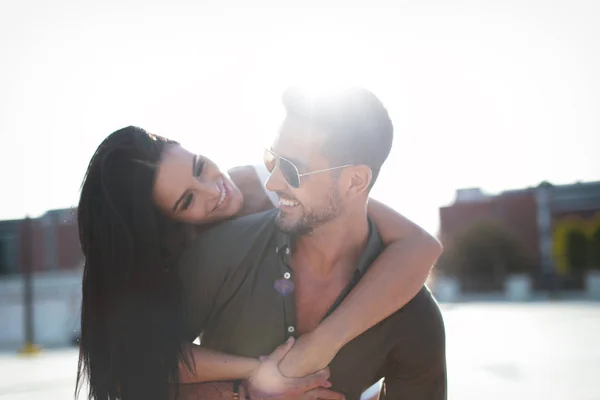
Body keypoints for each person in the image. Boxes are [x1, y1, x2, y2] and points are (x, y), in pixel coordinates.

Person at [75, 108, 441, 399]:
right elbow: (137, 363)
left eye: (200, 167)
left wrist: (317, 347)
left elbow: (418, 244)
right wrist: (253, 380)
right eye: (187, 200)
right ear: (169, 224)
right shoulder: (186, 256)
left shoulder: (267, 186)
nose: (213, 190)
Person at [176, 87, 447, 399]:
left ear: (355, 181)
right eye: (272, 159)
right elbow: (127, 378)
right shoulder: (221, 252)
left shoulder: (414, 316)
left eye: (293, 170)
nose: (273, 183)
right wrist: (240, 394)